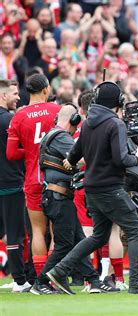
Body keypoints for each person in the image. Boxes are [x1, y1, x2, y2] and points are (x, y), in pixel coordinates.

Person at [45, 81, 138, 295]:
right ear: (119, 102)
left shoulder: (86, 124)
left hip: (92, 188)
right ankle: (136, 284)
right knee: (136, 231)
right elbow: (121, 158)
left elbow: (73, 156)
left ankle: (59, 271)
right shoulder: (116, 124)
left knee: (98, 236)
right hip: (110, 187)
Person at [32, 105, 116, 295]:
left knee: (80, 240)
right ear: (74, 120)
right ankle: (41, 282)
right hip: (58, 197)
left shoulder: (51, 134)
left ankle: (93, 280)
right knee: (65, 245)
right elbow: (82, 157)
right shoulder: (61, 137)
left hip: (57, 196)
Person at [6, 74, 61, 279]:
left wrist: (31, 150)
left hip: (32, 178)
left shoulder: (18, 116)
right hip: (56, 177)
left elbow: (11, 154)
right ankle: (55, 277)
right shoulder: (57, 111)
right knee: (56, 231)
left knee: (37, 230)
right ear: (46, 89)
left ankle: (40, 278)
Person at [0, 80, 31, 293]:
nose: (18, 97)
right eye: (14, 93)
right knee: (15, 233)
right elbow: (20, 150)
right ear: (3, 96)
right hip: (10, 183)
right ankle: (20, 280)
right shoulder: (10, 120)